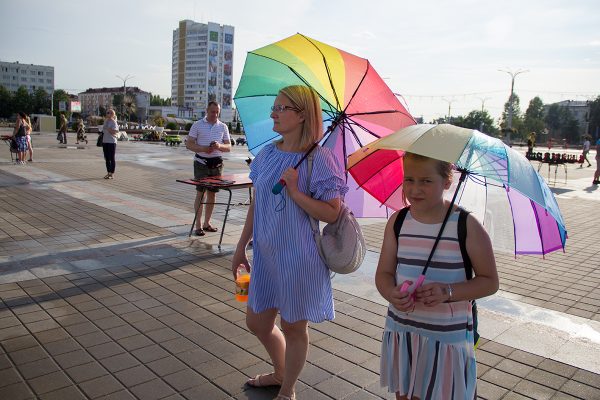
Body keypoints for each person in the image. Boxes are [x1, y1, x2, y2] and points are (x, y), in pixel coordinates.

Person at [231, 85, 347, 400]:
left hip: (299, 258)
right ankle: (280, 372)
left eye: (281, 108)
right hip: (266, 255)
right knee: (256, 321)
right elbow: (258, 203)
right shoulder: (268, 153)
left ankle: (287, 388)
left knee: (294, 328)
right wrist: (241, 246)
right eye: (274, 107)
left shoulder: (320, 160)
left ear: (301, 115)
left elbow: (333, 213)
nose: (273, 113)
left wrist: (297, 193)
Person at [375, 152, 499, 400]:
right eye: (409, 179)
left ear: (447, 182)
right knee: (406, 394)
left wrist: (448, 292)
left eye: (426, 181)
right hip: (404, 330)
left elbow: (489, 282)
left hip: (445, 338)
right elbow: (384, 273)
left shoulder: (467, 225)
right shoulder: (398, 221)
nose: (415, 189)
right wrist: (391, 293)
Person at [185, 101, 231, 236]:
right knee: (201, 193)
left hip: (217, 164)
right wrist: (203, 149)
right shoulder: (197, 125)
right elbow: (189, 144)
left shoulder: (223, 127)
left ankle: (207, 223)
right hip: (201, 163)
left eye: (217, 112)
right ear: (207, 110)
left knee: (212, 193)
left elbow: (228, 147)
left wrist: (219, 146)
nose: (215, 114)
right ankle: (198, 225)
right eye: (212, 111)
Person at [101, 109, 119, 179]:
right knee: (106, 158)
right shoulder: (105, 121)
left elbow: (115, 131)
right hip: (105, 141)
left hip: (111, 142)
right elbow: (103, 130)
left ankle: (112, 173)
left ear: (112, 114)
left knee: (112, 158)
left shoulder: (114, 122)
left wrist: (108, 129)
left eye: (109, 113)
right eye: (107, 112)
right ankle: (108, 172)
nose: (107, 114)